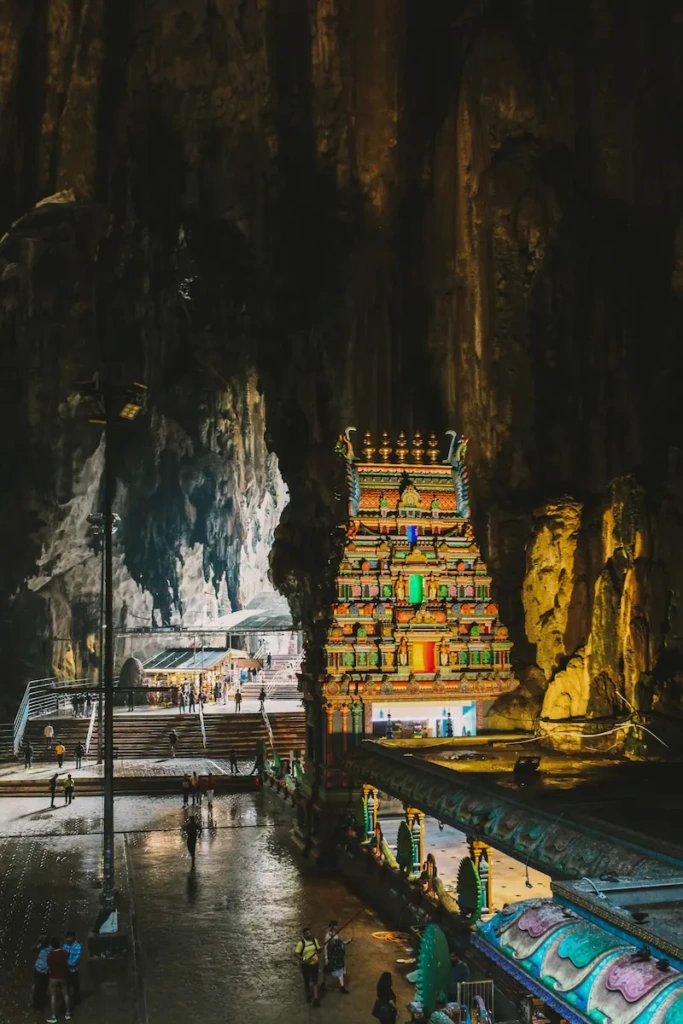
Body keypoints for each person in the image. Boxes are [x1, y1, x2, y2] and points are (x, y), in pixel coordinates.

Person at [47, 937, 71, 1022]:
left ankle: (54, 1016)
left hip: (53, 977)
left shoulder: (49, 956)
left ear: (51, 946)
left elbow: (49, 966)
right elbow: (68, 959)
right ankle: (67, 1014)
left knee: (53, 996)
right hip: (63, 977)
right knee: (65, 995)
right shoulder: (64, 953)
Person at [295, 927, 321, 1007]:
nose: (309, 934)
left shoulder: (314, 940)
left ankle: (316, 999)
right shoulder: (301, 943)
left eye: (310, 933)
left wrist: (321, 949)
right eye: (307, 933)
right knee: (307, 981)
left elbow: (318, 950)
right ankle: (308, 995)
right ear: (304, 935)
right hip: (306, 966)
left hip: (315, 964)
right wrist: (303, 959)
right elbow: (296, 954)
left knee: (315, 981)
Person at [324, 920, 349, 993]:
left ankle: (342, 986)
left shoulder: (338, 934)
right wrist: (326, 958)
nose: (337, 927)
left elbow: (340, 942)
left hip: (338, 956)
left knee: (340, 970)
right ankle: (323, 983)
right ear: (332, 927)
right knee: (328, 971)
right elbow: (326, 947)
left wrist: (345, 942)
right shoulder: (328, 935)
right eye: (336, 926)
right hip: (332, 956)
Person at [32, 934, 52, 1010]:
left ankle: (41, 1004)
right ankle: (35, 1005)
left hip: (46, 971)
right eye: (42, 938)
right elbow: (32, 949)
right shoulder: (40, 946)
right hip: (38, 969)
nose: (43, 939)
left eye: (45, 938)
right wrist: (37, 941)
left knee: (44, 988)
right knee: (37, 988)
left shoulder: (51, 948)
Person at [63, 931, 81, 1006]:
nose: (67, 939)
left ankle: (76, 1001)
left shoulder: (77, 946)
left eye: (69, 937)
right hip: (66, 970)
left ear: (73, 937)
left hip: (74, 970)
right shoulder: (65, 946)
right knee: (66, 986)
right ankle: (66, 1002)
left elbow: (76, 958)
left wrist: (69, 964)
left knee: (75, 986)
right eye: (66, 938)